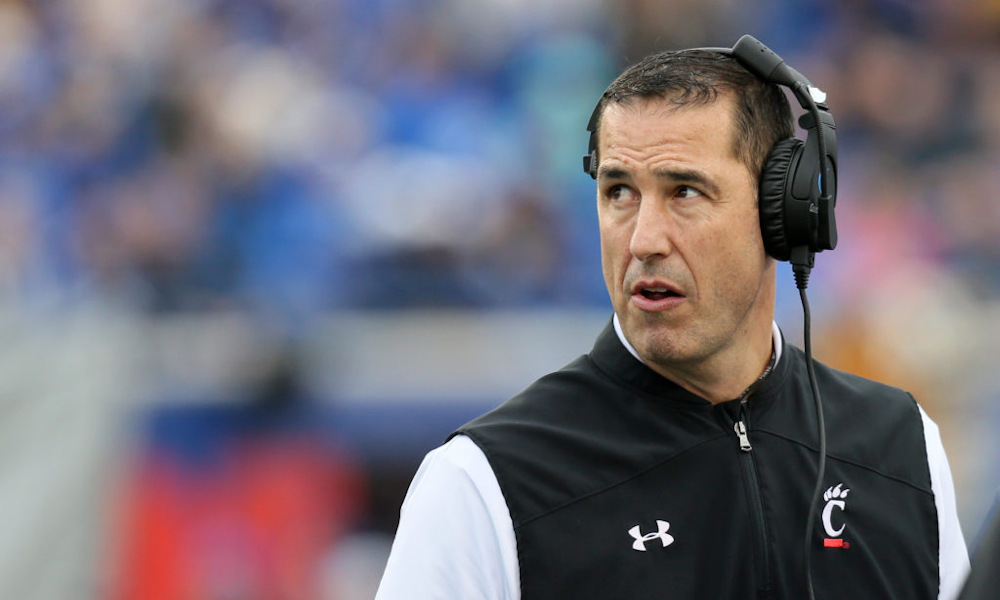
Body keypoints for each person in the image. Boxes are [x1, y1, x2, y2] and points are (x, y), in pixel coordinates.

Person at [374, 36, 970, 599]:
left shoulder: (901, 444)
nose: (644, 240)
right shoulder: (485, 482)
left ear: (782, 211)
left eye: (685, 191)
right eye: (619, 193)